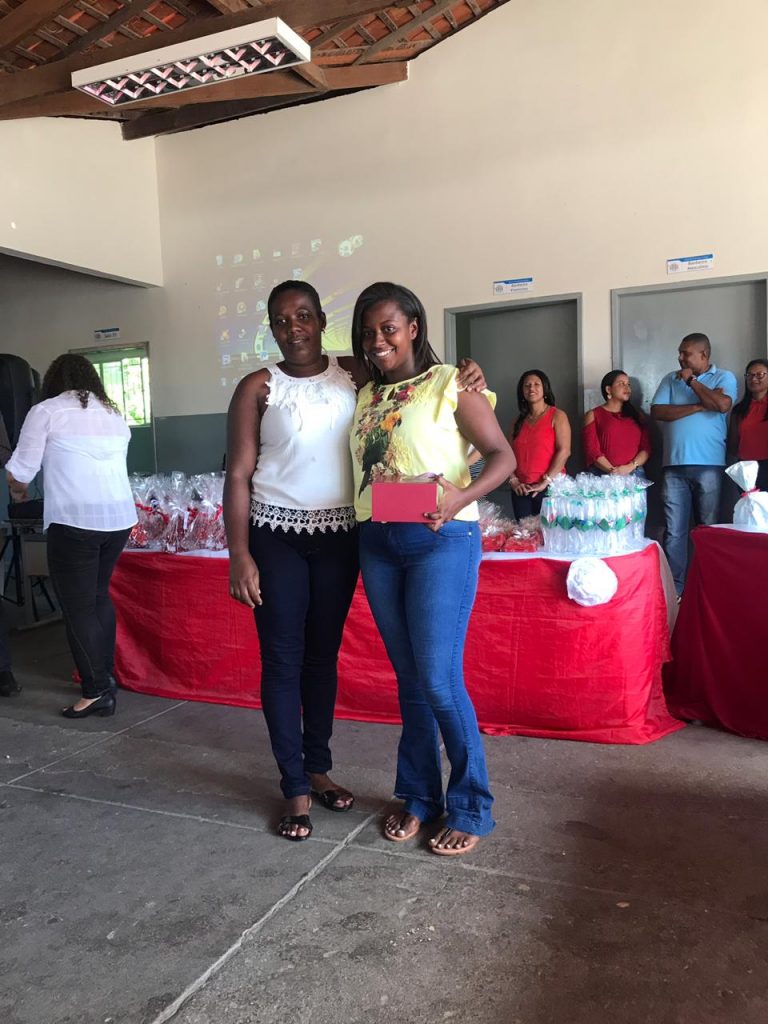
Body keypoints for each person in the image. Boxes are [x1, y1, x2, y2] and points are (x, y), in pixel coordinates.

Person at [223, 280, 485, 842]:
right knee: (286, 660)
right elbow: (238, 473)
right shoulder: (259, 386)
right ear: (271, 328)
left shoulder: (355, 372)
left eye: (303, 316)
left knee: (327, 659)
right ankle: (296, 787)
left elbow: (418, 377)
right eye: (280, 320)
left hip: (346, 534)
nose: (293, 328)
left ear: (322, 320)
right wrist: (238, 552)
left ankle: (320, 769)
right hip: (280, 535)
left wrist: (468, 373)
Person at [350, 281, 516, 857]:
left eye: (389, 328)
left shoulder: (450, 382)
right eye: (369, 332)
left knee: (439, 678)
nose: (378, 340)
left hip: (440, 539)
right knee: (411, 680)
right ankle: (419, 796)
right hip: (377, 539)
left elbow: (503, 456)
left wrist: (460, 498)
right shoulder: (366, 394)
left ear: (414, 328)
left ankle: (470, 805)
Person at [5, 354, 136, 717]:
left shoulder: (46, 411)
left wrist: (17, 488)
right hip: (118, 519)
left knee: (77, 607)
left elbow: (21, 470)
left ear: (52, 382)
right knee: (98, 597)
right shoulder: (113, 413)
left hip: (75, 521)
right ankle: (106, 677)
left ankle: (95, 691)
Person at [650, 333, 737, 596]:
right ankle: (676, 590)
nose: (680, 358)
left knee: (707, 530)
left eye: (685, 353)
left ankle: (706, 587)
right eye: (680, 352)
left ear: (704, 354)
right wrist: (700, 406)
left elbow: (722, 405)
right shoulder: (670, 378)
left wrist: (691, 381)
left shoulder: (724, 377)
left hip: (710, 465)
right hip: (673, 466)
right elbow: (657, 411)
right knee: (674, 532)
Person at [507, 369, 570, 518]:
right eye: (527, 385)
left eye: (536, 384)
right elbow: (506, 454)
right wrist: (513, 480)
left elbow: (564, 451)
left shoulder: (557, 416)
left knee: (549, 532)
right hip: (521, 490)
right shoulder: (517, 421)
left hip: (550, 488)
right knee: (524, 532)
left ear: (545, 389)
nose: (531, 388)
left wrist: (545, 481)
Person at [583, 370, 651, 475]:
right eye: (621, 384)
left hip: (635, 474)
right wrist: (614, 471)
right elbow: (592, 451)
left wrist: (630, 467)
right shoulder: (593, 415)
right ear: (608, 389)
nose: (627, 388)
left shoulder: (637, 416)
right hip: (603, 475)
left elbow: (646, 449)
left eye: (628, 384)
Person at [727, 358, 768, 490]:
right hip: (747, 468)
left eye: (760, 374)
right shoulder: (739, 410)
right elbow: (733, 444)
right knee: (748, 503)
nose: (754, 379)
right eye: (749, 375)